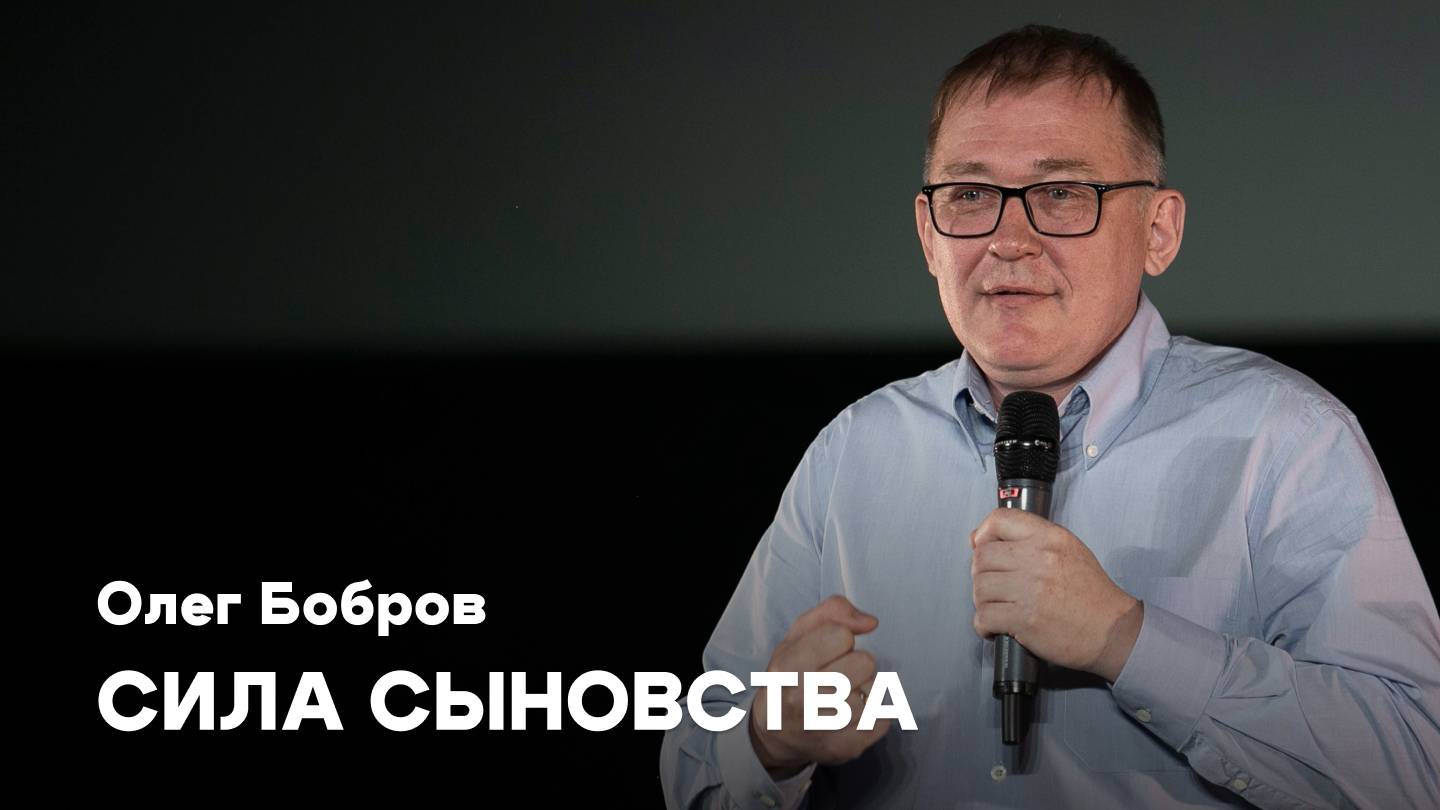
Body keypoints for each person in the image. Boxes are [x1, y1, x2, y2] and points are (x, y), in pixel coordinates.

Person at [658, 24, 1440, 810]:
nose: (1009, 240)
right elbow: (693, 773)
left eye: (1062, 194)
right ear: (928, 235)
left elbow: (1414, 767)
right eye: (970, 195)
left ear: (1158, 231)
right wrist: (766, 743)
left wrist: (1125, 640)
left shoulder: (1285, 439)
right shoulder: (854, 452)